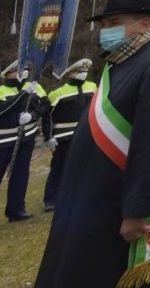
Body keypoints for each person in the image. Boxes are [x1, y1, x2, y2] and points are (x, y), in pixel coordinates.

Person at [36, 0, 150, 288]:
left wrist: (137, 209)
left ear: (144, 23)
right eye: (104, 23)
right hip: (90, 197)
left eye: (115, 22)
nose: (105, 30)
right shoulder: (120, 62)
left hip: (115, 204)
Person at [41, 58, 97, 212]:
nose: (83, 74)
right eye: (80, 72)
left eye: (85, 71)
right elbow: (47, 117)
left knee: (85, 167)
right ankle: (51, 199)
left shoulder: (92, 87)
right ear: (71, 74)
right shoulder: (57, 93)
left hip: (87, 134)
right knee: (58, 168)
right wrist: (48, 136)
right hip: (64, 136)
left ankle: (81, 195)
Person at [0, 60, 48, 222]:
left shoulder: (34, 87)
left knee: (21, 175)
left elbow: (45, 105)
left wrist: (33, 116)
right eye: (19, 71)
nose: (24, 73)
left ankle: (16, 209)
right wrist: (22, 95)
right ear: (8, 74)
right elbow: (3, 110)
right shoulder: (1, 90)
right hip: (4, 140)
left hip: (26, 138)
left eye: (26, 70)